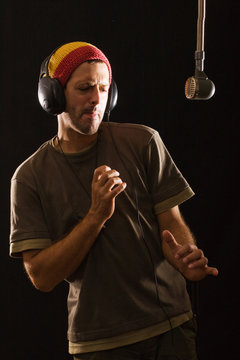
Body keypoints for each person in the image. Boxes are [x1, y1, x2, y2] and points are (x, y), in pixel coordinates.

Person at [9, 41, 218, 360]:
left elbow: (172, 224)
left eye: (104, 89)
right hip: (99, 343)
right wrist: (96, 216)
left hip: (171, 328)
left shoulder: (143, 141)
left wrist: (184, 256)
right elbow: (41, 275)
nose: (96, 99)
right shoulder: (28, 177)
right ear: (51, 96)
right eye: (84, 88)